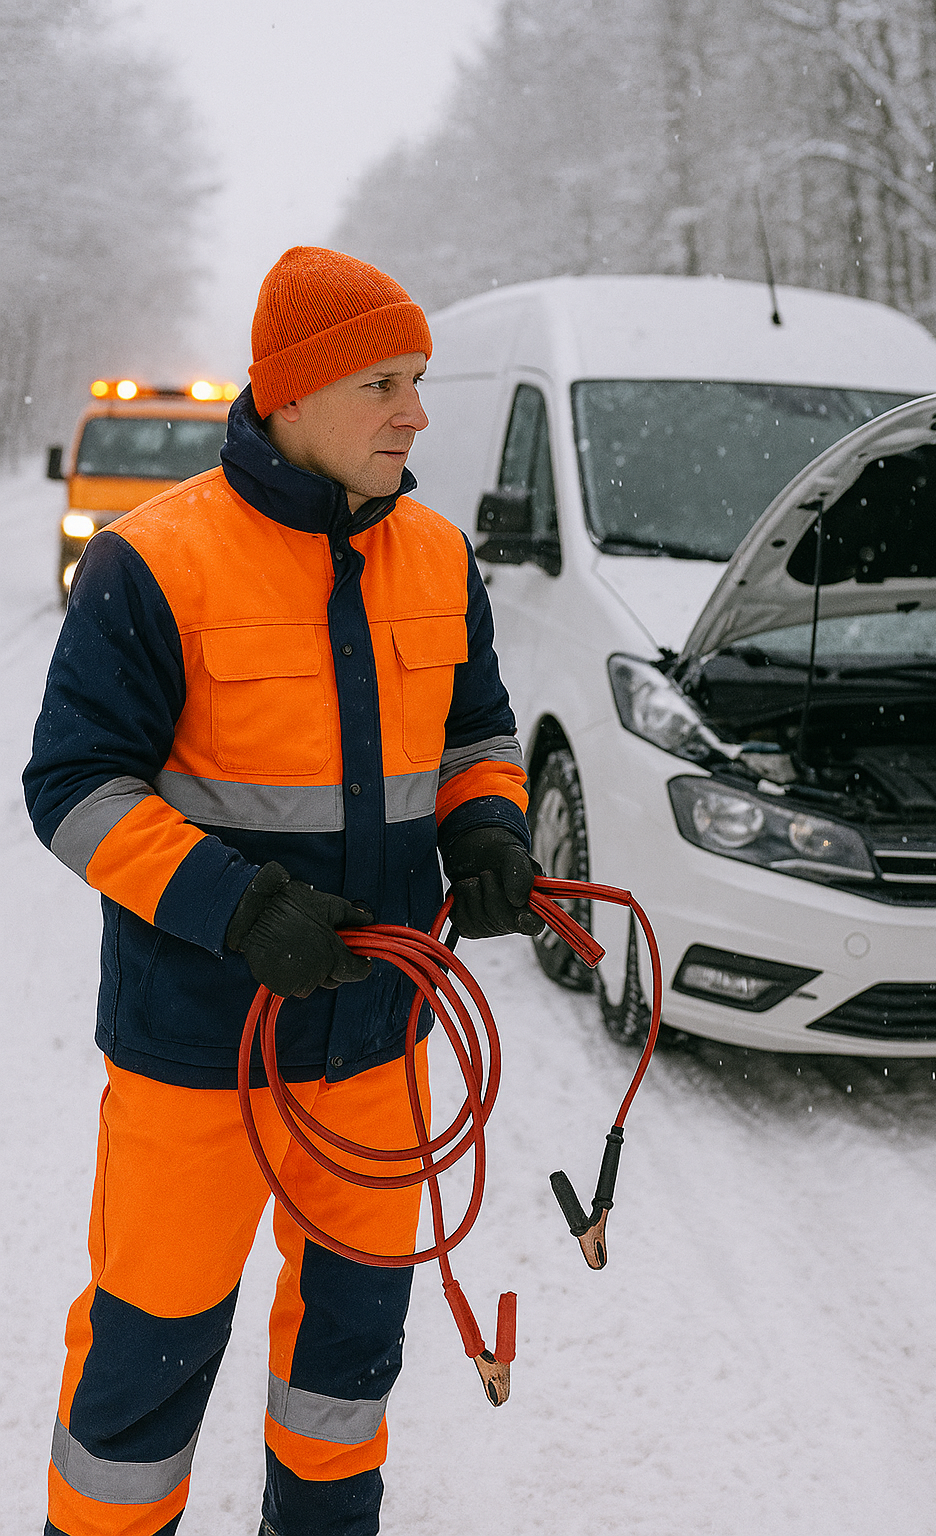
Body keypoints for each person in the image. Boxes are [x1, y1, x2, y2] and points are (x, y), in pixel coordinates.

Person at [24, 246, 544, 1536]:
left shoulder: (437, 555)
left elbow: (478, 731)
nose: (416, 413)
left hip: (377, 1039)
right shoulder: (154, 564)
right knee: (147, 1357)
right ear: (296, 394)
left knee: (348, 1364)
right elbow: (75, 786)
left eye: (418, 382)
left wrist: (488, 831)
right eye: (384, 384)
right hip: (197, 1049)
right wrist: (236, 906)